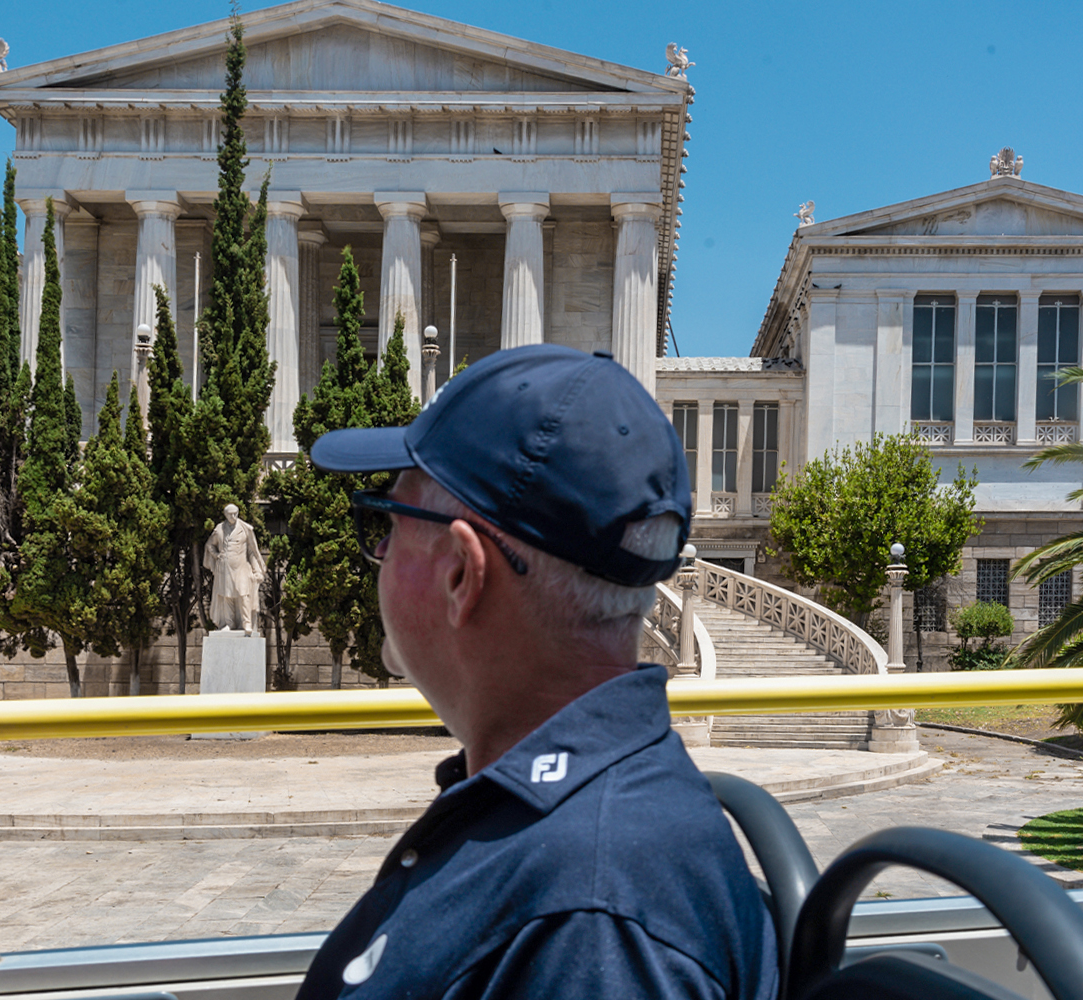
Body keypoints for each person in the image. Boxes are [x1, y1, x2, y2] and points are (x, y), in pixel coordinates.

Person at [296, 345, 777, 999]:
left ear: (461, 574)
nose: (378, 554)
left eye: (389, 522)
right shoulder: (554, 820)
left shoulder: (593, 926)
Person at [203, 503, 266, 633]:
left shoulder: (245, 529)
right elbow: (209, 545)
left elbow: (252, 552)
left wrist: (257, 570)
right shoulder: (219, 529)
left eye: (235, 513)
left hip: (242, 566)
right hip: (225, 567)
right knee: (227, 596)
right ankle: (229, 623)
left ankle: (246, 623)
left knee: (244, 594)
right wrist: (217, 555)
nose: (234, 516)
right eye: (230, 514)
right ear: (225, 515)